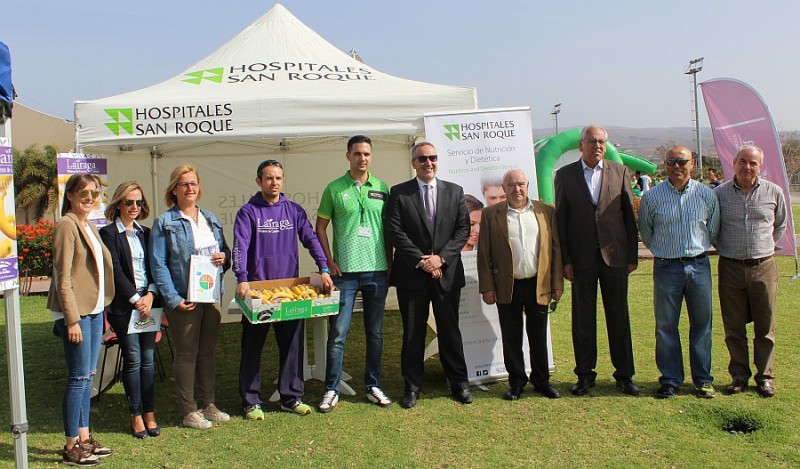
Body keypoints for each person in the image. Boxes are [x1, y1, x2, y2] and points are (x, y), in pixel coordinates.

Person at [233, 159, 333, 420]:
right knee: (252, 347)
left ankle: (291, 397)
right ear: (258, 181)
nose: (274, 183)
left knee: (291, 346)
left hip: (289, 291)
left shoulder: (293, 211)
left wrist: (323, 266)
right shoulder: (248, 212)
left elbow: (311, 239)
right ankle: (251, 401)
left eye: (278, 178)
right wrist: (242, 277)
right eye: (268, 178)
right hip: (258, 293)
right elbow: (240, 246)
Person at [554, 124, 639, 397]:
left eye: (601, 141)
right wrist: (566, 260)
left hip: (615, 257)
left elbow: (628, 216)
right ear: (581, 145)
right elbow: (561, 222)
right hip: (580, 260)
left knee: (619, 318)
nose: (597, 146)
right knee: (583, 320)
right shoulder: (565, 175)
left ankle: (624, 375)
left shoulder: (619, 172)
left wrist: (632, 255)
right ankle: (584, 375)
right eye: (591, 141)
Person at [386, 141, 472, 408]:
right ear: (414, 163)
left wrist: (440, 259)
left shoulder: (455, 191)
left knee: (450, 331)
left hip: (446, 274)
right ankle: (412, 386)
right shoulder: (399, 193)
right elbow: (395, 232)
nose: (428, 163)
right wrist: (422, 261)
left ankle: (459, 383)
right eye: (422, 159)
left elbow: (462, 230)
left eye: (432, 158)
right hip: (412, 275)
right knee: (413, 333)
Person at [149, 164, 231, 429]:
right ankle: (188, 410)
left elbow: (224, 254)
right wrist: (172, 298)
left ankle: (208, 403)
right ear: (174, 189)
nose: (190, 188)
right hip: (184, 299)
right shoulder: (165, 222)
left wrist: (223, 258)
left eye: (193, 183)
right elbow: (158, 264)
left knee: (207, 352)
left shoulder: (210, 218)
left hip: (210, 296)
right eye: (184, 184)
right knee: (186, 354)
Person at [315, 136, 391, 413]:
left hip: (377, 270)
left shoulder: (382, 187)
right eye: (357, 153)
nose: (362, 158)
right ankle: (331, 389)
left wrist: (390, 264)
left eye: (367, 154)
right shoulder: (334, 188)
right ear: (348, 155)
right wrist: (328, 262)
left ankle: (373, 385)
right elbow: (320, 226)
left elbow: (390, 229)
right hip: (344, 273)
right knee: (338, 333)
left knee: (376, 332)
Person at [638, 146, 720, 399]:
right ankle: (671, 379)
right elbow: (647, 232)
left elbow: (713, 229)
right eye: (671, 161)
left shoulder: (706, 195)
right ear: (665, 163)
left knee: (702, 325)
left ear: (692, 164)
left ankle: (703, 379)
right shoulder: (652, 197)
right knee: (665, 327)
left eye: (681, 161)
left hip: (699, 266)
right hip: (666, 267)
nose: (676, 166)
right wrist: (665, 251)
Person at [477, 169, 563, 400]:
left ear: (528, 186)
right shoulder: (490, 214)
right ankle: (516, 382)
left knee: (538, 336)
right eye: (511, 185)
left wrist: (557, 282)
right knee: (511, 335)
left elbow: (555, 250)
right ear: (504, 188)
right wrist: (487, 286)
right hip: (507, 285)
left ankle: (542, 381)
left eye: (521, 184)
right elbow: (484, 254)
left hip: (538, 283)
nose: (517, 189)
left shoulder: (545, 212)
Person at [47, 173, 115, 465]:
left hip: (94, 310)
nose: (89, 198)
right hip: (76, 313)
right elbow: (63, 279)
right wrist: (72, 320)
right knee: (78, 378)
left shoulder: (87, 225)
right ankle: (71, 445)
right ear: (71, 195)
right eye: (83, 193)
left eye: (94, 193)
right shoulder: (66, 224)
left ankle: (85, 438)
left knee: (87, 378)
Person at [714, 145, 787, 398]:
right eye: (743, 161)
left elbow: (780, 225)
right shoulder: (720, 194)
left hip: (764, 267)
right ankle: (739, 376)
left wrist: (763, 246)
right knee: (733, 326)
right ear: (733, 162)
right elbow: (713, 229)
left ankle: (765, 377)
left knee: (765, 326)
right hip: (730, 267)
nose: (747, 167)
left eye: (753, 163)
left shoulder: (773, 192)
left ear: (760, 166)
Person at [99, 181, 161, 438]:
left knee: (148, 360)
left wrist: (150, 295)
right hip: (125, 308)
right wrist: (137, 299)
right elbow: (115, 269)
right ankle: (135, 414)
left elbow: (157, 266)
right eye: (128, 202)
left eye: (138, 202)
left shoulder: (146, 233)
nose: (134, 206)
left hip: (149, 304)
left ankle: (149, 412)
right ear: (118, 204)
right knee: (133, 360)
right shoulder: (108, 234)